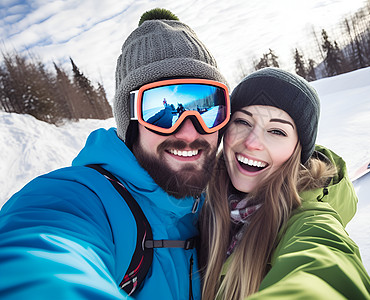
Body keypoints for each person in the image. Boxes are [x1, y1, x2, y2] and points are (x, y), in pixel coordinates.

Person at [0, 8, 229, 300]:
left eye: (208, 108)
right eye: (161, 112)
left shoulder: (228, 197)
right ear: (130, 121)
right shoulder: (86, 197)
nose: (188, 132)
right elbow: (32, 255)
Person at [199, 67, 370, 300]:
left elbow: (322, 271)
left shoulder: (309, 219)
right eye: (243, 122)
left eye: (276, 131)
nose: (253, 142)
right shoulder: (194, 201)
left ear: (298, 150)